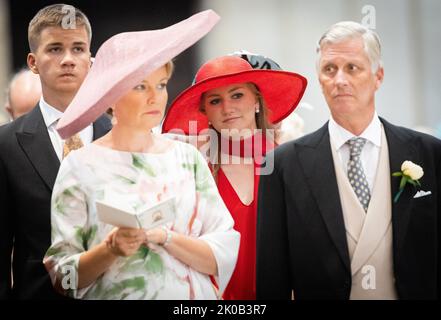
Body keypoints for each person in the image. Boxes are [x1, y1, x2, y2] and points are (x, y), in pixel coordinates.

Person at [44, 10, 239, 300]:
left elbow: (222, 255)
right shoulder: (79, 165)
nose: (155, 97)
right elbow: (63, 277)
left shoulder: (188, 158)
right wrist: (110, 249)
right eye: (140, 86)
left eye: (160, 85)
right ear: (110, 96)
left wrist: (165, 237)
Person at [256, 21, 440, 300]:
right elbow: (272, 276)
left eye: (352, 68)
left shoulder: (429, 153)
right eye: (330, 69)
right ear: (320, 79)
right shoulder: (282, 165)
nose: (339, 80)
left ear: (378, 76)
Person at [162, 54, 307, 299]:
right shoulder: (194, 171)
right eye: (216, 100)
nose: (228, 108)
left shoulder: (292, 165)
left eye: (237, 95)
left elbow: (307, 250)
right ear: (204, 111)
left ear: (257, 101)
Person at [0, 4, 111, 299]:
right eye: (54, 49)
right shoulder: (6, 145)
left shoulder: (118, 134)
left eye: (78, 49)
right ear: (33, 62)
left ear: (91, 59)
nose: (68, 60)